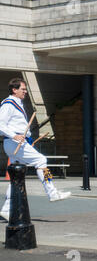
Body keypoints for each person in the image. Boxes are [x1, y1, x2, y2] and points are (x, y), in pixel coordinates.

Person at [0, 78, 71, 221]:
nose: (25, 92)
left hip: (16, 143)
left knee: (16, 177)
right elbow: (0, 124)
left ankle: (7, 209)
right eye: (23, 89)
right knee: (41, 160)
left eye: (25, 89)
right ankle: (52, 192)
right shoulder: (8, 104)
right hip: (14, 142)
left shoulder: (15, 103)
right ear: (14, 90)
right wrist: (14, 135)